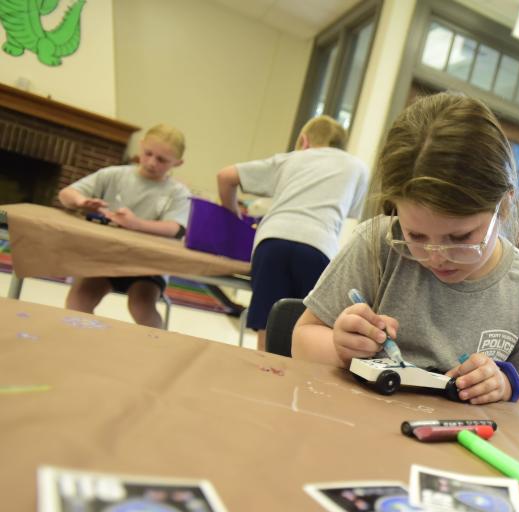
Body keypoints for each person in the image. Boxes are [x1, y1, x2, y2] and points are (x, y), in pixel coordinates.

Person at [291, 93, 519, 408]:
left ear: (503, 207)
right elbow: (301, 340)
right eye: (415, 235)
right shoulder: (377, 244)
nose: (435, 257)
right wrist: (339, 345)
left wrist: (503, 387)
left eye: (460, 238)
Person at [217, 115, 368, 351]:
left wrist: (234, 216)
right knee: (309, 327)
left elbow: (225, 176)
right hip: (318, 246)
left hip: (273, 241)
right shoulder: (357, 167)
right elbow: (349, 211)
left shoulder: (293, 158)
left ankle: (265, 375)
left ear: (304, 141)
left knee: (268, 323)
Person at [58, 123, 191, 328]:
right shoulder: (112, 175)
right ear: (141, 146)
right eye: (148, 153)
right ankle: (82, 345)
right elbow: (66, 194)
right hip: (106, 256)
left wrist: (136, 224)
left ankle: (157, 349)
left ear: (178, 163)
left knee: (141, 306)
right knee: (78, 300)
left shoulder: (178, 192)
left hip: (149, 264)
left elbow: (176, 228)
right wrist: (81, 202)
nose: (152, 162)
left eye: (162, 160)